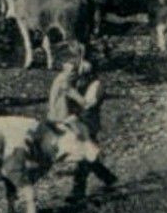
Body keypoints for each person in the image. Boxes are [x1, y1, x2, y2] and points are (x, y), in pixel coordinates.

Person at [46, 57, 118, 201]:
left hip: (88, 122)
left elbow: (88, 104)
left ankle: (78, 191)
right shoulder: (78, 82)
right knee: (87, 153)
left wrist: (75, 104)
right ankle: (108, 178)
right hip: (79, 120)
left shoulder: (96, 85)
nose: (81, 76)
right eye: (82, 72)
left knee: (84, 155)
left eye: (85, 73)